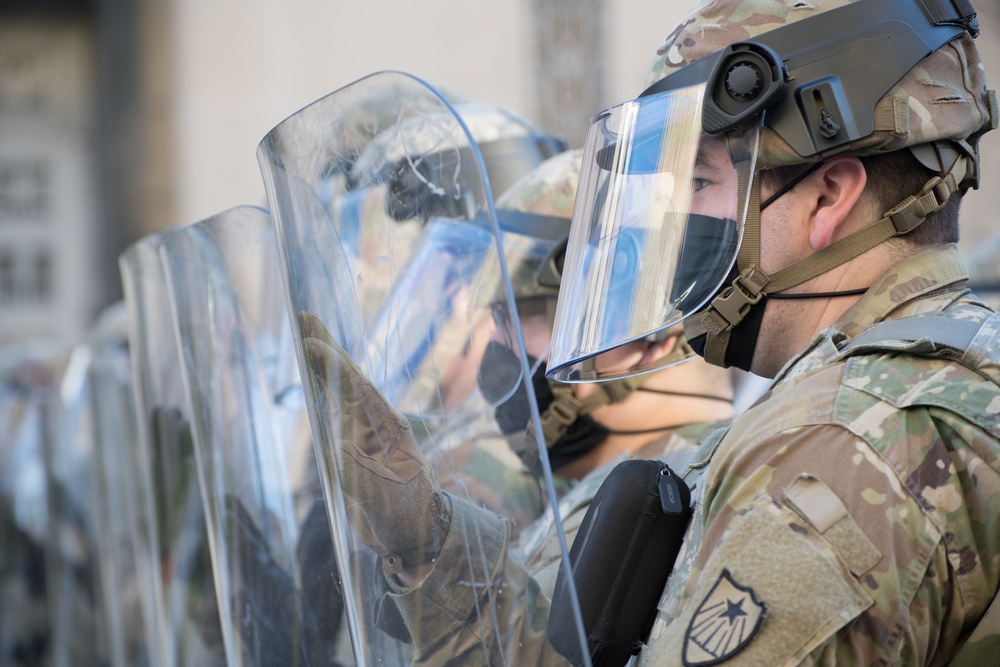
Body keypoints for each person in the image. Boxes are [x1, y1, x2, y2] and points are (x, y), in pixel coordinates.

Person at [543, 0, 998, 663]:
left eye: (700, 181)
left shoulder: (848, 441)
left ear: (826, 196)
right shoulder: (921, 382)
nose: (676, 221)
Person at [298, 146, 738, 664]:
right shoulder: (584, 488)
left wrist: (430, 550)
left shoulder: (681, 500)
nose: (499, 350)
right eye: (498, 319)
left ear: (651, 335)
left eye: (527, 317)